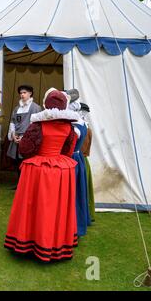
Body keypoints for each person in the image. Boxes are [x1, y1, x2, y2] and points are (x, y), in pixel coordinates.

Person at [4, 88, 80, 262]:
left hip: (38, 170)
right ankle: (54, 242)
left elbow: (25, 149)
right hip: (60, 171)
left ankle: (29, 241)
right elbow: (68, 151)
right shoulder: (69, 127)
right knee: (55, 208)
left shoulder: (37, 125)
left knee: (34, 206)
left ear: (46, 105)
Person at [7, 84, 42, 184]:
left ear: (30, 93)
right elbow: (12, 122)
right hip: (17, 139)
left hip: (28, 140)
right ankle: (19, 184)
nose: (22, 95)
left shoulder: (36, 108)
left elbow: (36, 126)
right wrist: (13, 135)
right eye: (21, 93)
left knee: (27, 162)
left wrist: (25, 138)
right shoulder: (17, 108)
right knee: (18, 162)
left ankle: (27, 185)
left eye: (24, 93)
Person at [69, 98, 91, 237]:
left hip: (72, 159)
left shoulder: (75, 127)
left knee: (73, 193)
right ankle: (79, 221)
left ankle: (74, 224)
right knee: (78, 191)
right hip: (78, 158)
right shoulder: (83, 124)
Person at [79, 102, 95, 223]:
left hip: (81, 160)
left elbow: (85, 149)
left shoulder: (85, 129)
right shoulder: (86, 128)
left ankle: (84, 216)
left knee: (82, 189)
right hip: (82, 159)